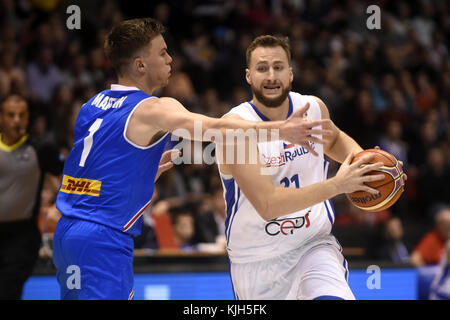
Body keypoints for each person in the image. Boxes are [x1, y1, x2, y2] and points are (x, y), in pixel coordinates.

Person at [52, 18, 332, 300]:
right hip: (102, 239)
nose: (170, 58)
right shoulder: (151, 110)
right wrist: (280, 129)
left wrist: (138, 174)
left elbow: (89, 174)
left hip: (67, 234)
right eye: (162, 53)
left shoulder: (93, 105)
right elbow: (214, 129)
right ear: (140, 65)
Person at [215, 35, 406, 300]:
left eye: (278, 67)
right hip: (256, 261)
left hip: (312, 246)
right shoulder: (235, 129)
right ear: (248, 76)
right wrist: (338, 185)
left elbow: (335, 139)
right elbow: (268, 204)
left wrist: (368, 166)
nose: (271, 76)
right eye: (262, 68)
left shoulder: (312, 108)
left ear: (291, 73)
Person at [0, 94, 62, 299]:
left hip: (21, 237)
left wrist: (61, 206)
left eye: (21, 115)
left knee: (8, 292)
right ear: (1, 117)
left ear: (28, 119)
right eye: (10, 115)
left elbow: (67, 175)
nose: (16, 120)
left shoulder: (40, 150)